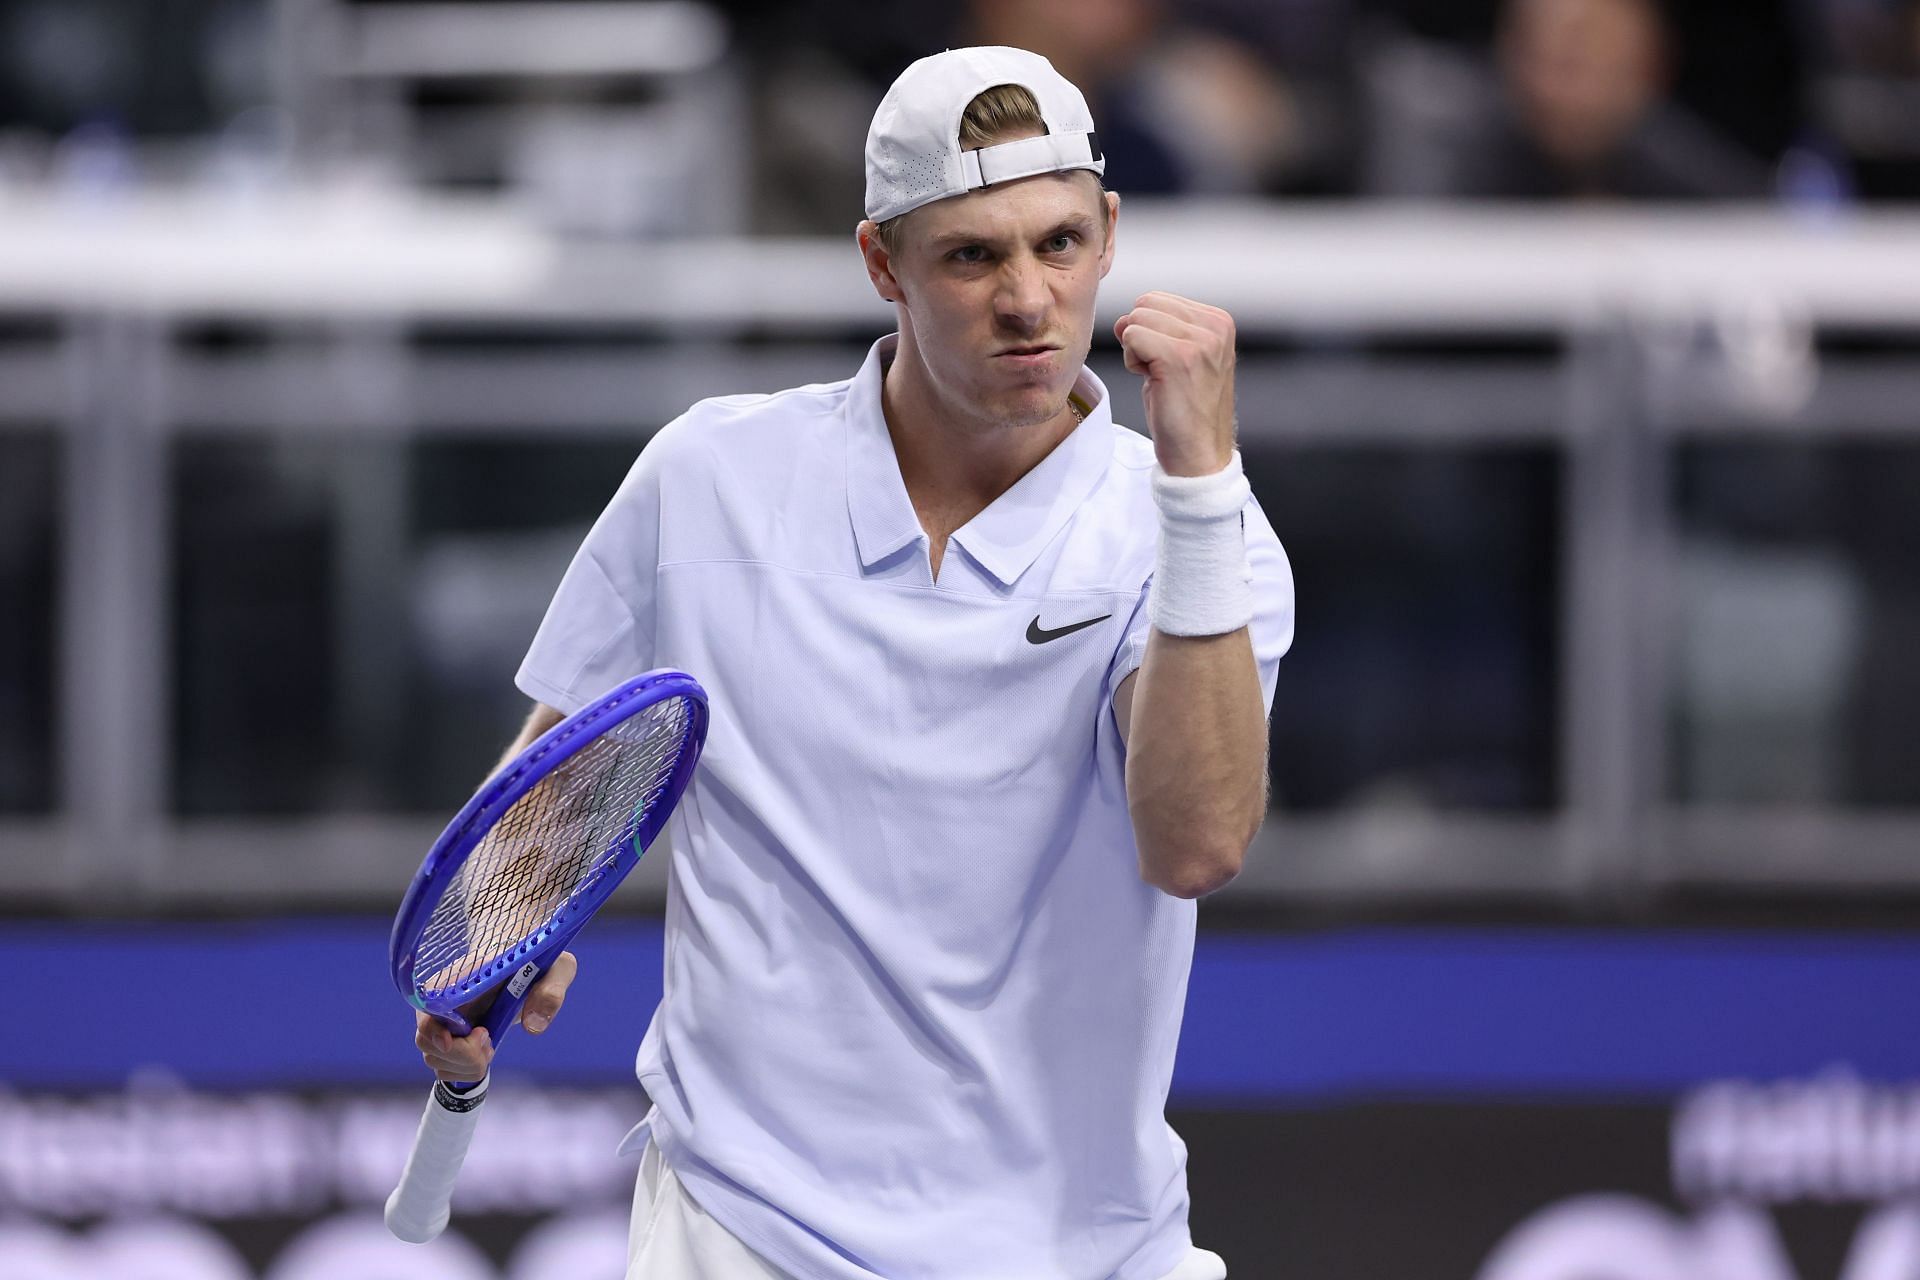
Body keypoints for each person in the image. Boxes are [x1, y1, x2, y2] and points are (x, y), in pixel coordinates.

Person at [415, 45, 1294, 1280]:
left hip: (1081, 1246)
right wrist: (495, 932)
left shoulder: (1200, 535)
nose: (1030, 299)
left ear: (1108, 231)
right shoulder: (708, 475)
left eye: (1058, 243)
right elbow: (558, 779)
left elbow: (1197, 841)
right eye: (972, 255)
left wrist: (1198, 488)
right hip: (738, 1226)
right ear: (881, 261)